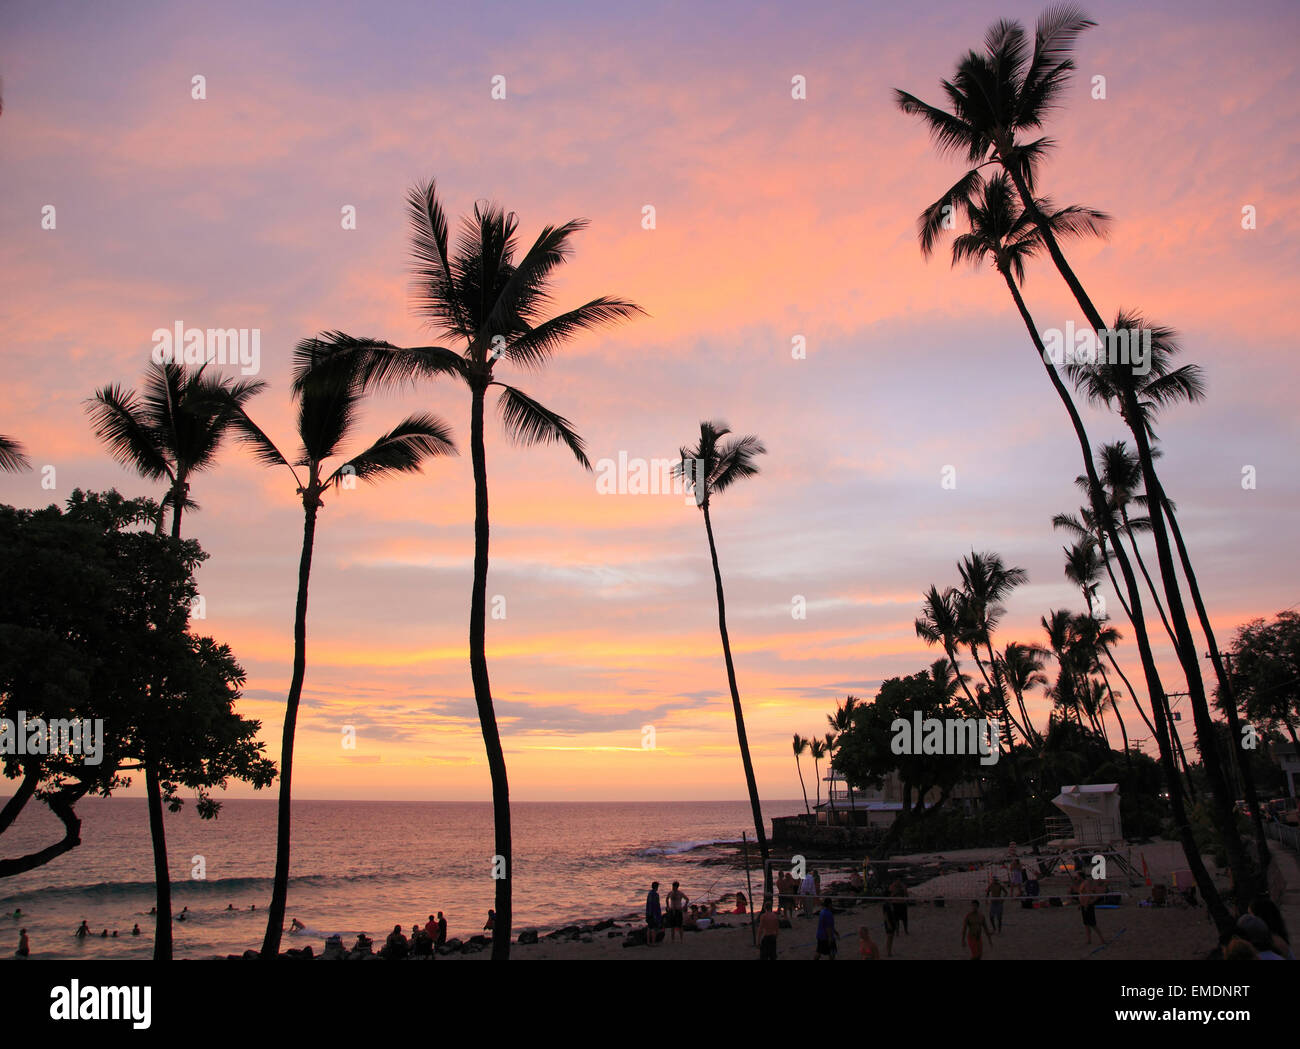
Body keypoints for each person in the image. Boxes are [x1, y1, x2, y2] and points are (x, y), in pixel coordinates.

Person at [1079, 873, 1106, 946]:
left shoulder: (1087, 884)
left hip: (1087, 905)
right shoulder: (1084, 883)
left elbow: (1088, 894)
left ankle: (1102, 939)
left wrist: (1086, 904)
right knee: (1086, 924)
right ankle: (1089, 940)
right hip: (1084, 905)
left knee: (1092, 924)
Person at [645, 882, 663, 946]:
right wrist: (657, 915)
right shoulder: (655, 895)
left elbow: (649, 905)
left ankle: (648, 942)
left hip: (648, 913)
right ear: (656, 887)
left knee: (649, 928)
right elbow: (656, 905)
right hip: (653, 914)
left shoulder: (649, 894)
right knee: (653, 928)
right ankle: (653, 942)